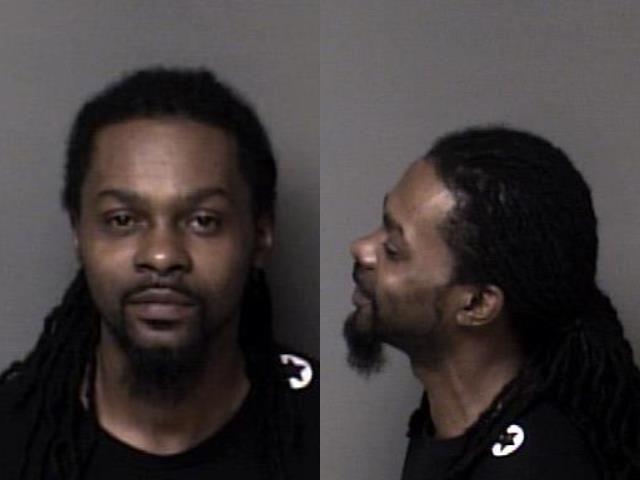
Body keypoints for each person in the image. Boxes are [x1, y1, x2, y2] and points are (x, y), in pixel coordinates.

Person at [0, 67, 318, 480]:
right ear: (78, 233)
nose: (162, 255)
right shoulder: (14, 436)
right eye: (122, 219)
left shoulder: (316, 427)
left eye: (203, 220)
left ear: (260, 237)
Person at [345, 127, 640, 480]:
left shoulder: (535, 468)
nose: (361, 249)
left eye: (394, 250)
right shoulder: (458, 429)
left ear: (477, 304)